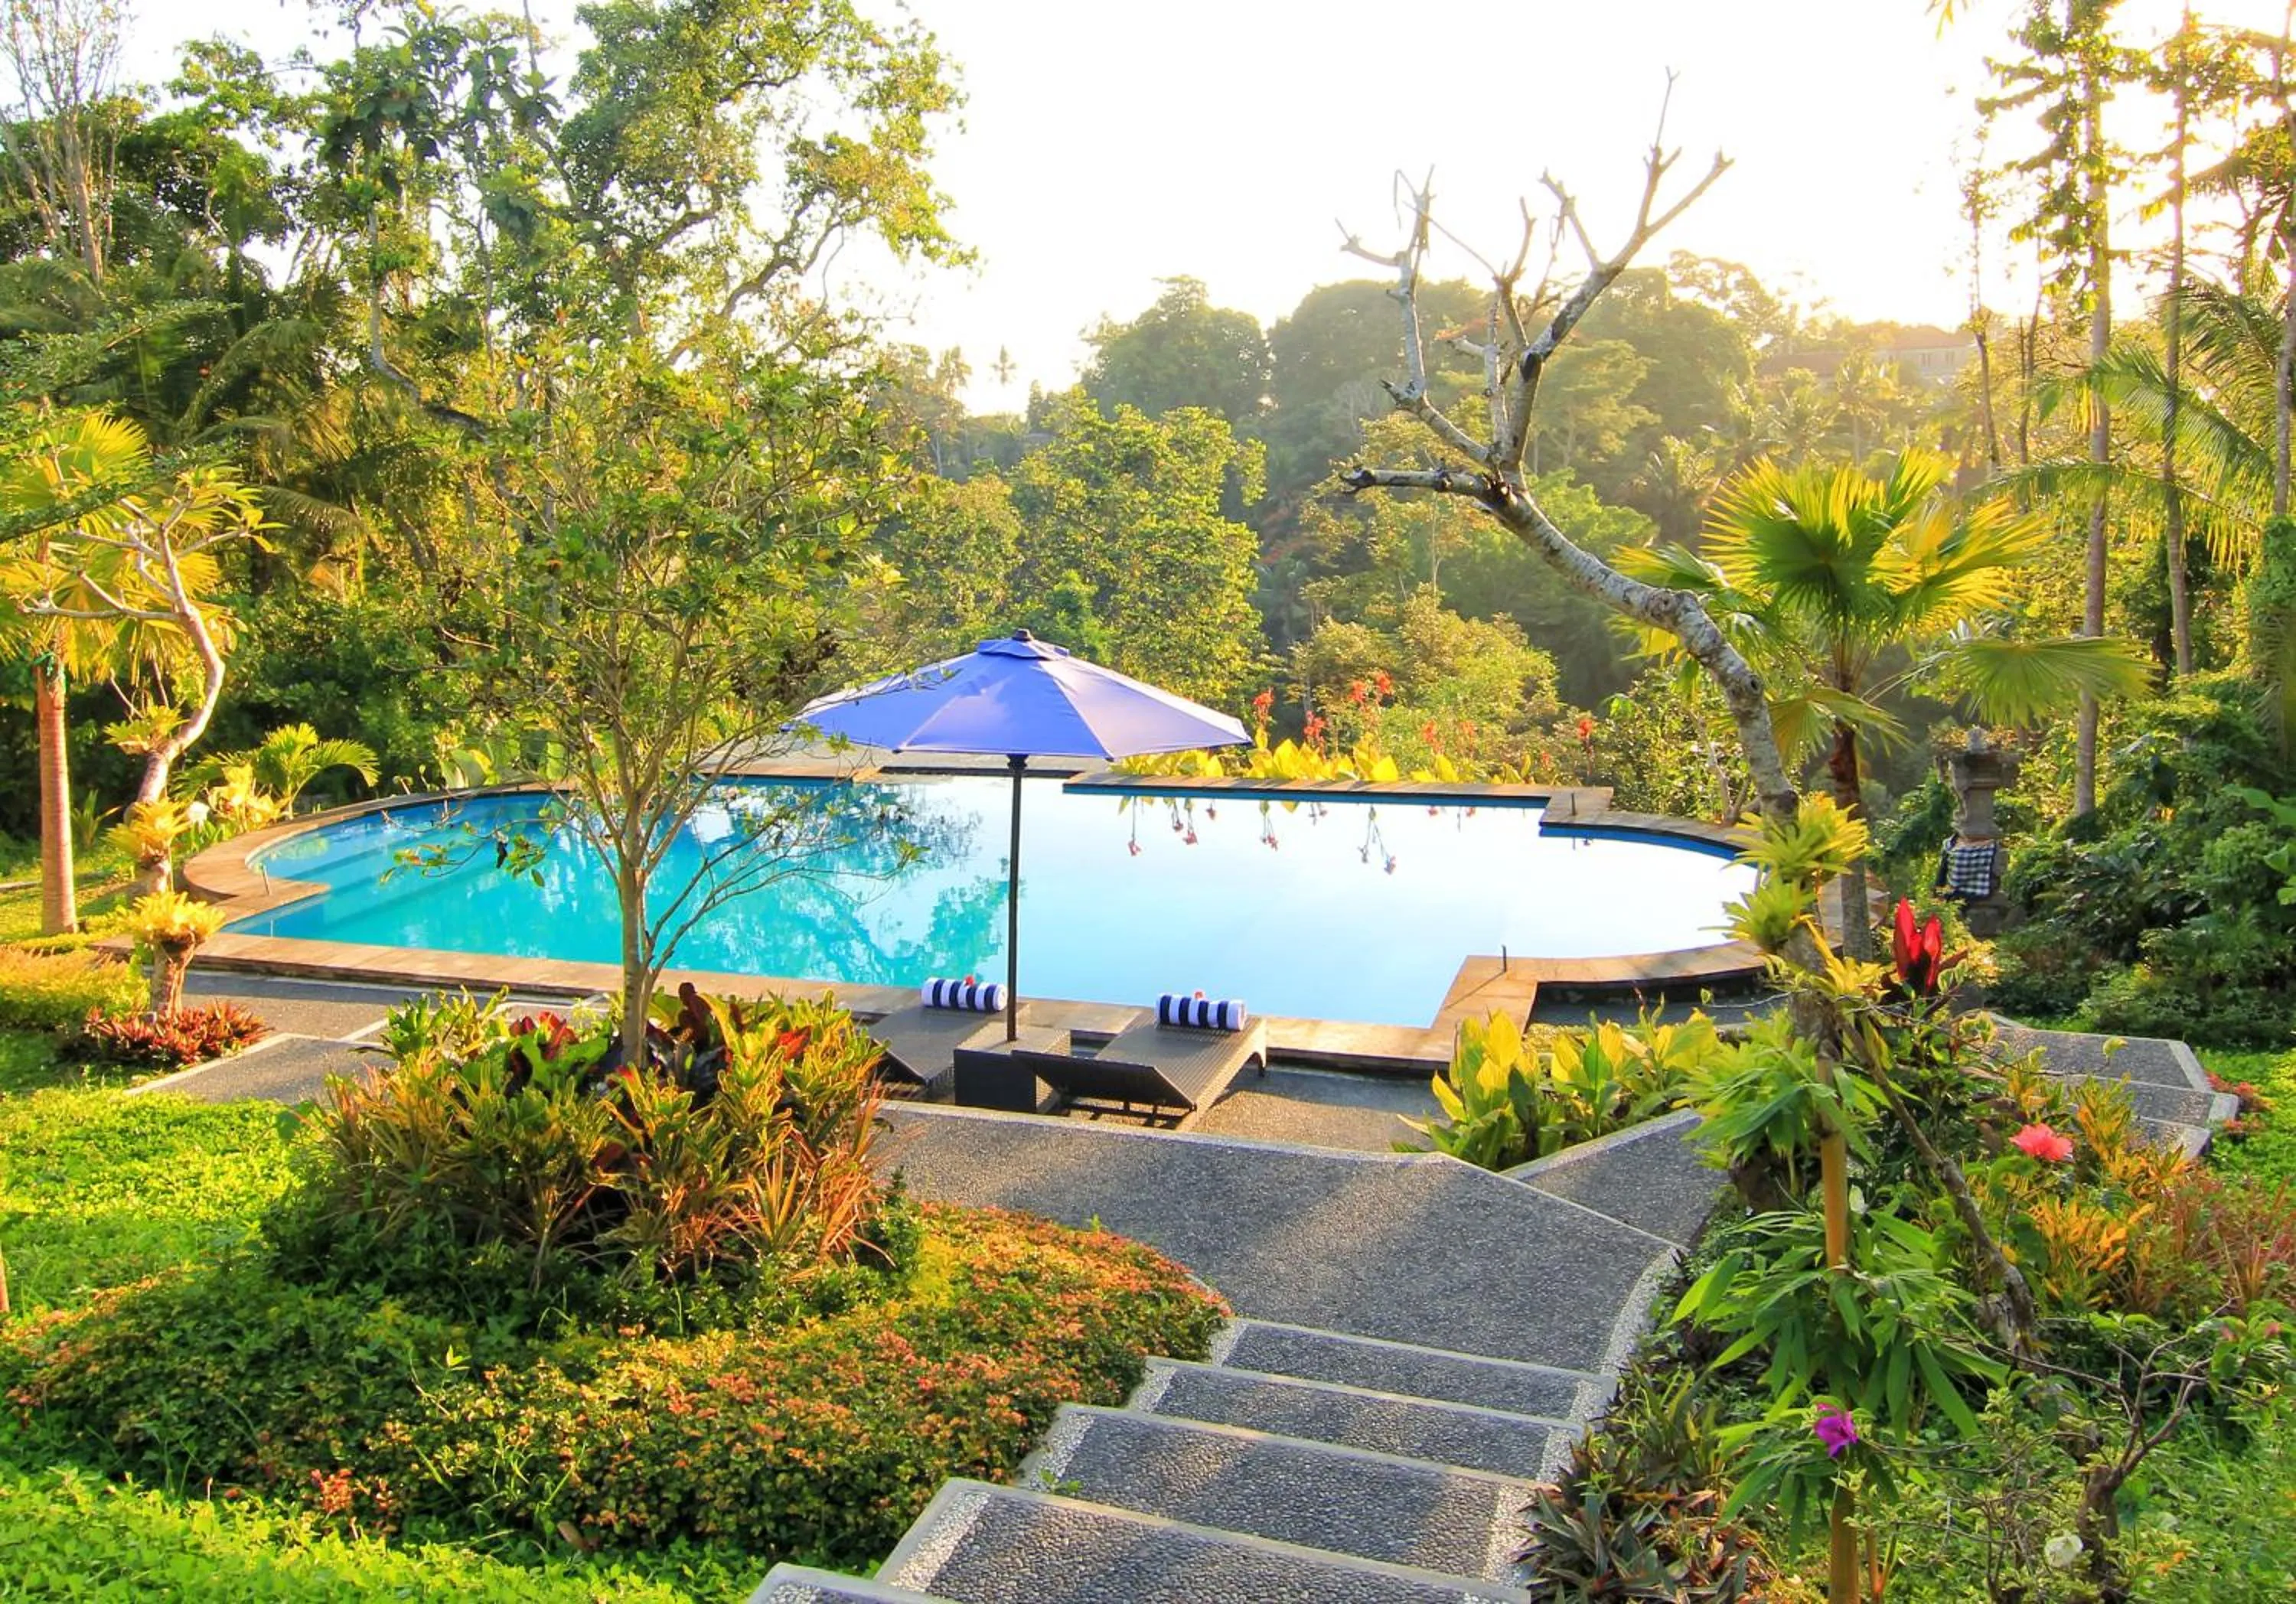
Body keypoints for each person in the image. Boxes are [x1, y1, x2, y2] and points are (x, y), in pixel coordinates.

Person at [1933, 830, 2006, 905]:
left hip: (1962, 898)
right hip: (1980, 896)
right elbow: (1998, 873)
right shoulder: (1950, 844)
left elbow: (1941, 875)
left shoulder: (1950, 844)